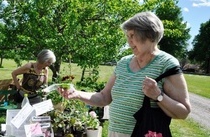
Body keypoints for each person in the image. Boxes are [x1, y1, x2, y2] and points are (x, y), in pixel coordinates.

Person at [59, 11, 191, 137]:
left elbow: (183, 111)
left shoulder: (166, 64)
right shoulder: (123, 62)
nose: (129, 42)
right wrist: (77, 94)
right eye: (127, 36)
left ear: (149, 35)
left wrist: (158, 95)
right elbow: (104, 97)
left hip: (143, 133)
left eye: (132, 36)